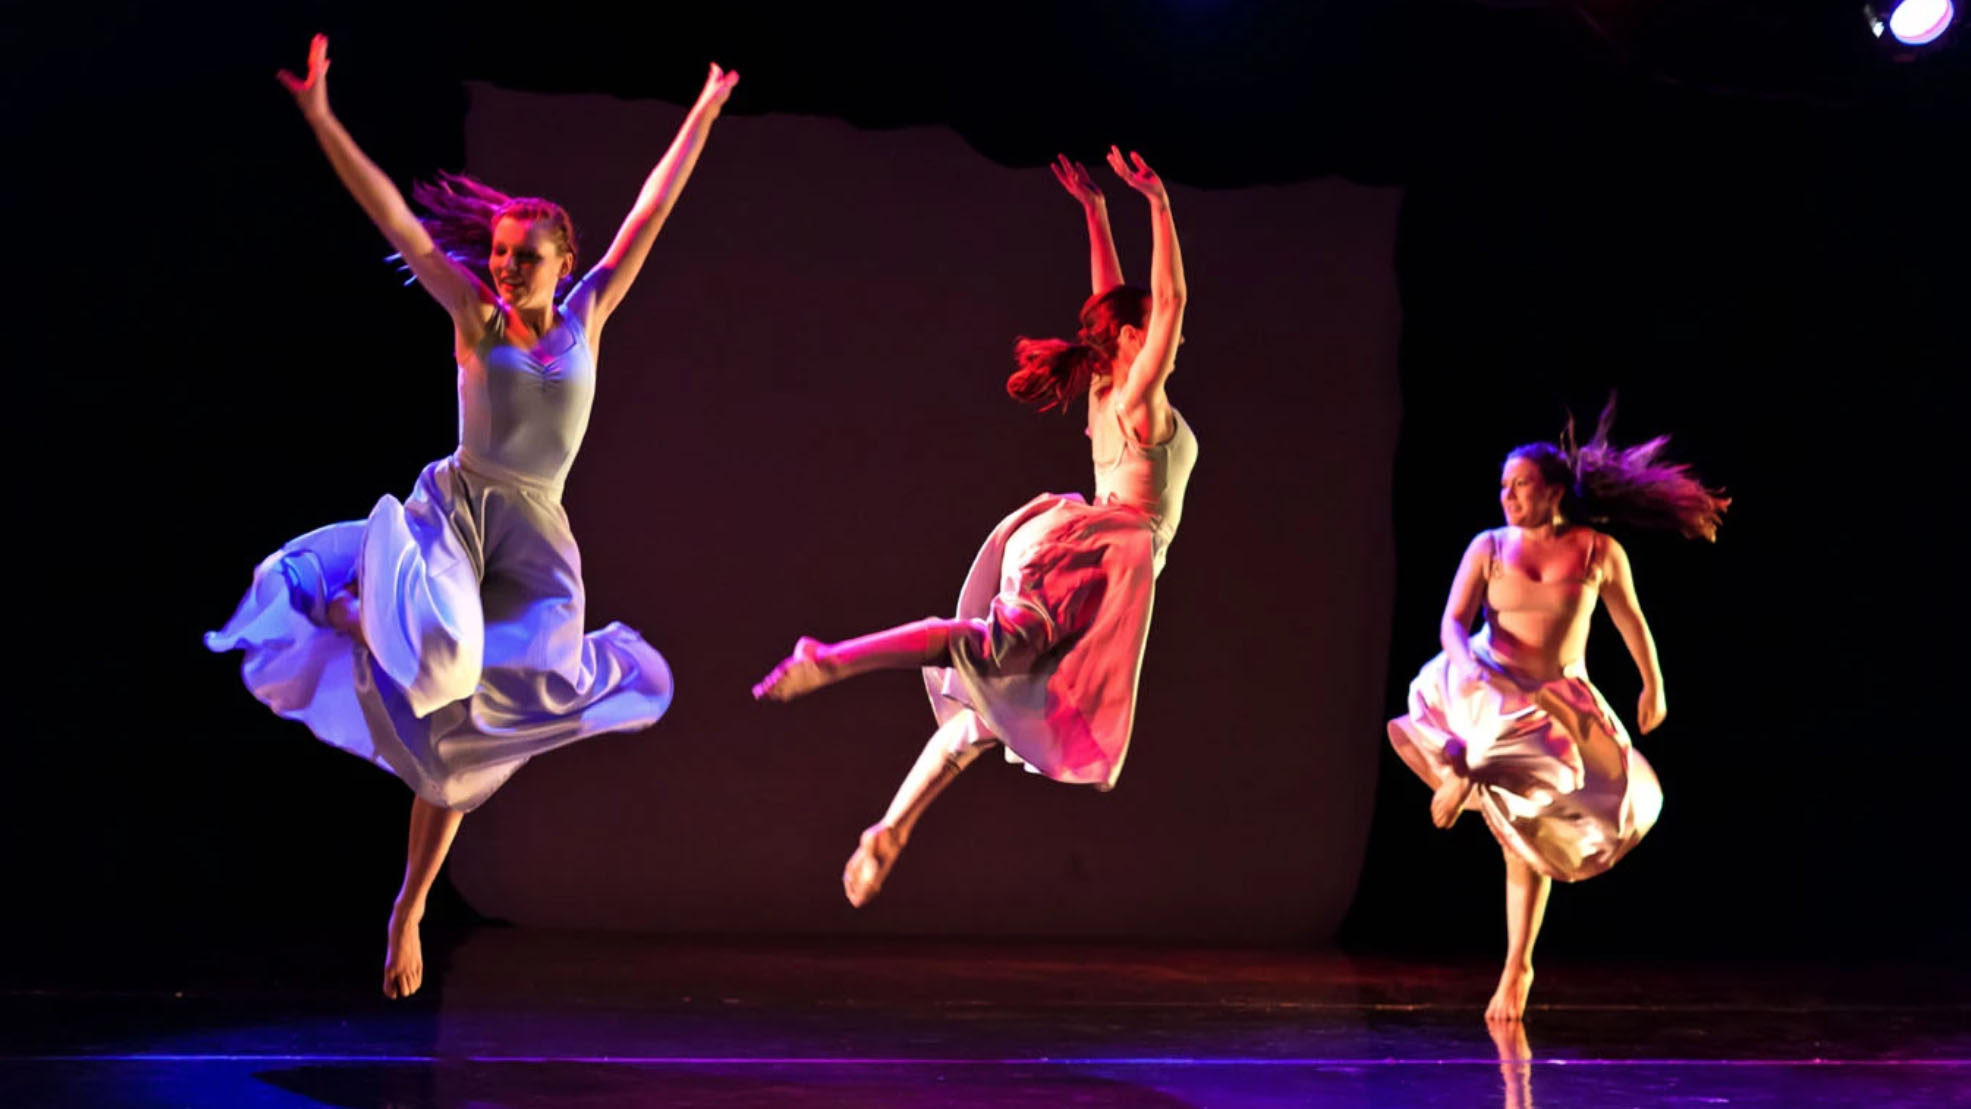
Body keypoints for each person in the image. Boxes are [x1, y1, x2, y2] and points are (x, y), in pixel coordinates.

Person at [206, 35, 738, 997]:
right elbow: (399, 221)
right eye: (498, 254)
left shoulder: (588, 312)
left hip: (537, 534)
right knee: (446, 659)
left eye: (525, 257)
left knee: (499, 710)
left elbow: (652, 210)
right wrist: (323, 116)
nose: (506, 269)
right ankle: (366, 610)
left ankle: (407, 903)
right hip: (458, 510)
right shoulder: (475, 319)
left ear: (564, 257)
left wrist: (702, 111)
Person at [752, 148, 1198, 908]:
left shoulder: (1105, 384)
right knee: (982, 649)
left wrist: (1093, 213)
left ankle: (890, 828)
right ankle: (832, 657)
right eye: (1150, 327)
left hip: (1084, 558)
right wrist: (1156, 203)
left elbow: (1109, 302)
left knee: (988, 712)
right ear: (1131, 340)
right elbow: (1170, 297)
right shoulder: (1137, 399)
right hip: (1096, 556)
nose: (1168, 331)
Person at [1388, 400, 1728, 1021]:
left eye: (1519, 485)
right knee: (1481, 735)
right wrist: (1462, 658)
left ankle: (1518, 964)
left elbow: (1633, 624)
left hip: (1555, 701)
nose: (1507, 496)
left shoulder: (1599, 552)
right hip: (1484, 681)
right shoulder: (1489, 546)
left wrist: (1653, 685)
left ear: (1552, 492)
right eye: (1502, 486)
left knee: (1529, 836)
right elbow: (1451, 623)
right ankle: (1460, 770)